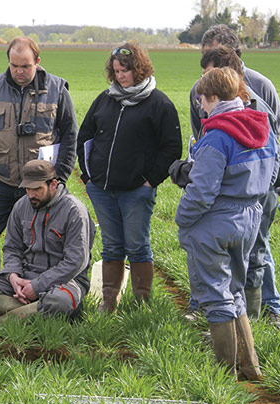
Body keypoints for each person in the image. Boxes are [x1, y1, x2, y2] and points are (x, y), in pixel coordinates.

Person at [186, 25, 280, 327]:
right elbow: (203, 135)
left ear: (233, 59)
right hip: (226, 186)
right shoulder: (199, 92)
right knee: (228, 255)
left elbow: (273, 140)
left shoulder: (261, 89)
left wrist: (261, 180)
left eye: (216, 61)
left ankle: (269, 308)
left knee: (258, 249)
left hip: (256, 187)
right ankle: (219, 312)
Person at [176, 67, 277, 380]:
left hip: (217, 221)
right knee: (235, 292)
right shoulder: (263, 129)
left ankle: (225, 373)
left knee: (216, 296)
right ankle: (251, 366)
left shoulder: (217, 136)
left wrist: (183, 218)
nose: (201, 107)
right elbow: (273, 174)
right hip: (251, 216)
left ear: (213, 97)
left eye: (202, 101)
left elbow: (202, 191)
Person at [76, 42, 182, 313]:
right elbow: (85, 135)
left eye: (125, 70)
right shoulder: (105, 99)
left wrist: (150, 180)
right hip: (102, 189)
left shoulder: (159, 103)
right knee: (111, 245)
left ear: (139, 69)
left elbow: (171, 147)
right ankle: (110, 301)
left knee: (136, 244)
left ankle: (142, 303)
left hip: (137, 190)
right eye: (116, 71)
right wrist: (88, 177)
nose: (120, 76)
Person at [0, 37, 78, 280]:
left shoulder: (57, 89)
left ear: (37, 62)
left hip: (40, 182)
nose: (19, 72)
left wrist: (59, 175)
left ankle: (37, 287)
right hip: (0, 177)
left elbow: (71, 134)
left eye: (25, 66)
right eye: (14, 65)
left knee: (41, 237)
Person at [0, 160, 95, 324]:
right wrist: (13, 277)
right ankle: (34, 310)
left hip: (65, 281)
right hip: (25, 276)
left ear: (53, 184)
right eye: (27, 188)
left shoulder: (75, 211)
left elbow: (75, 262)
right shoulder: (21, 206)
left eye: (37, 189)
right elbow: (12, 248)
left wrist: (37, 286)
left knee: (58, 302)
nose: (31, 194)